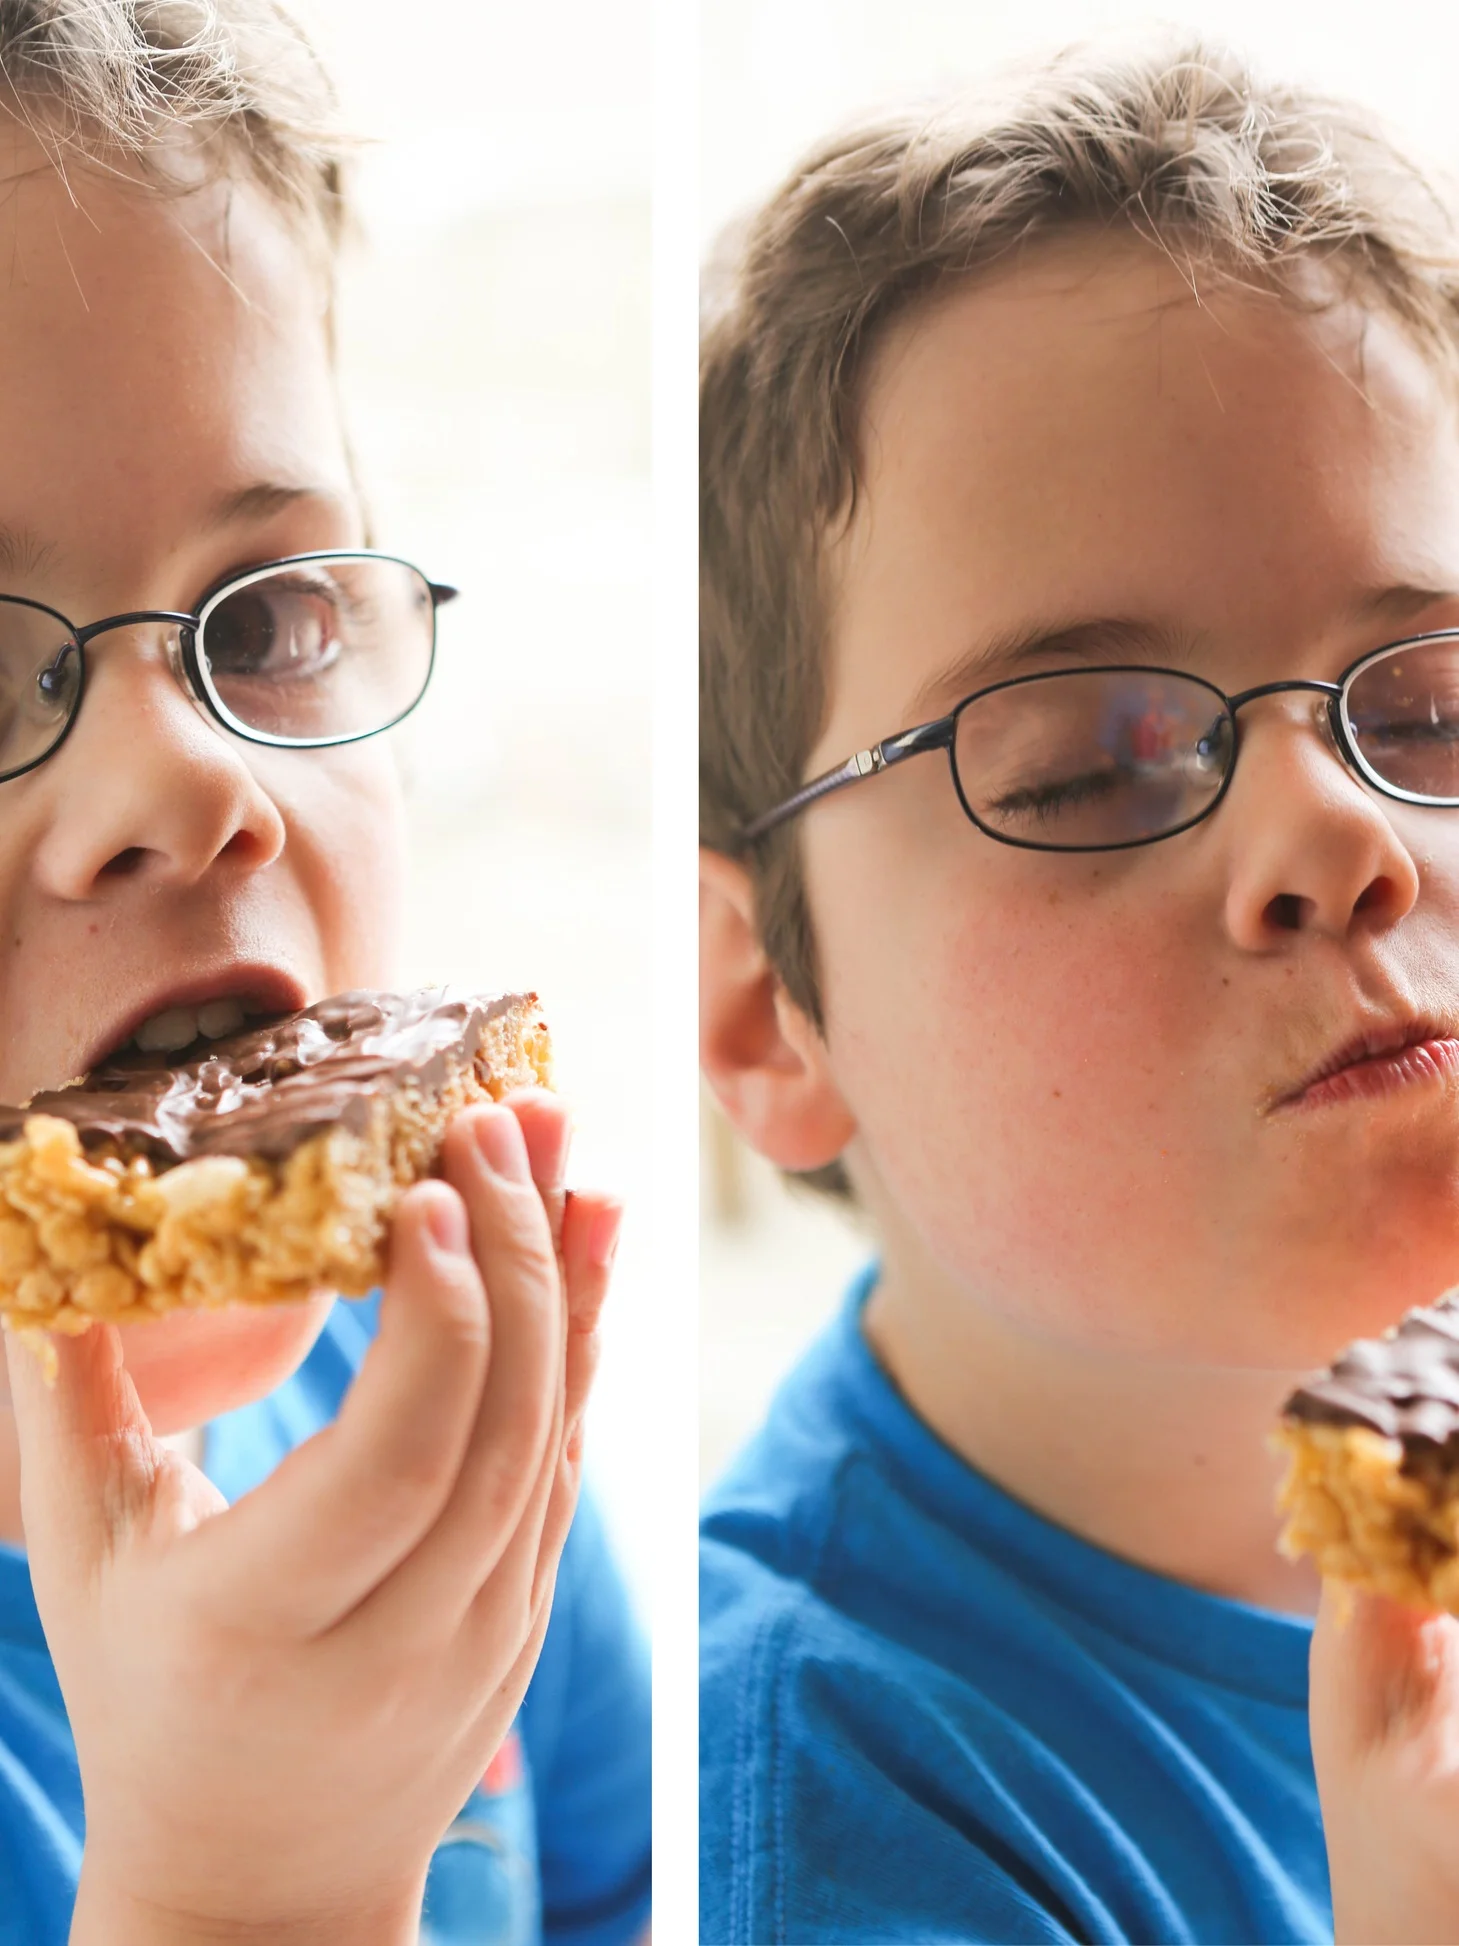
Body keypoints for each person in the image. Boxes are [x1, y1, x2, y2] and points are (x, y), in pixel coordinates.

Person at [699, 34, 1459, 1945]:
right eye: (1092, 766)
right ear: (759, 1015)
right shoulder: (825, 1824)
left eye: (1430, 707)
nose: (1339, 835)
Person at [0, 5, 651, 1943]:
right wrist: (232, 1896)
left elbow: (611, 1888)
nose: (187, 777)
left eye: (267, 615)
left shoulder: (415, 1381)